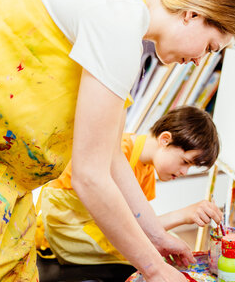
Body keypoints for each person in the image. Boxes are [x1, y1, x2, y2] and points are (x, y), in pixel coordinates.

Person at [0, 0, 235, 282]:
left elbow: (111, 157)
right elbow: (91, 176)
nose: (200, 59)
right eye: (209, 46)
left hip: (5, 182)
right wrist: (155, 270)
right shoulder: (120, 18)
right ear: (192, 15)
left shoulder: (121, 10)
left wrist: (157, 238)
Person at [35, 106, 222, 276]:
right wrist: (182, 215)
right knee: (146, 253)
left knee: (169, 244)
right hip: (67, 228)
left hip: (93, 225)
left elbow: (139, 224)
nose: (184, 172)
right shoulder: (121, 150)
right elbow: (125, 226)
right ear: (165, 139)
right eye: (185, 162)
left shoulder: (147, 170)